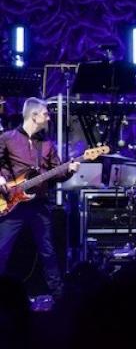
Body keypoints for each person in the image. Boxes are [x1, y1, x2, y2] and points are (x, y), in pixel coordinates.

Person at [0, 98, 80, 297]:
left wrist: (69, 170)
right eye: (45, 113)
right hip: (11, 204)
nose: (48, 117)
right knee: (2, 250)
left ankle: (59, 296)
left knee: (48, 251)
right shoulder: (7, 138)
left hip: (39, 205)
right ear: (34, 116)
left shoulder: (46, 145)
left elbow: (57, 174)